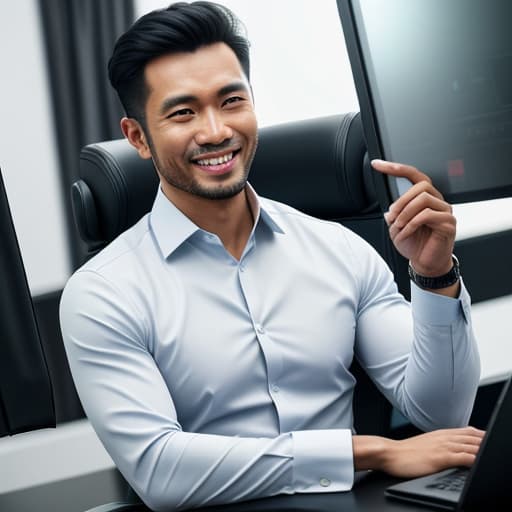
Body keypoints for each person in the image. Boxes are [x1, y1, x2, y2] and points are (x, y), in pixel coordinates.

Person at [59, 2, 482, 510]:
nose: (215, 131)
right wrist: (370, 452)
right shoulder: (101, 293)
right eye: (183, 112)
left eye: (231, 100)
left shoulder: (338, 248)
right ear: (138, 138)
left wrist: (433, 275)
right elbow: (162, 471)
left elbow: (442, 415)